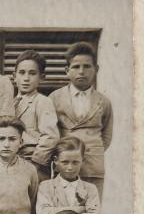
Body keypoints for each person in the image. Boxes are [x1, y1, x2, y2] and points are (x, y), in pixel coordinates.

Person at [48, 41, 113, 200]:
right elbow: (50, 131)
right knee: (64, 213)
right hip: (65, 167)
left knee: (90, 212)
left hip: (92, 166)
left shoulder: (103, 101)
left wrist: (89, 149)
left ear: (96, 70)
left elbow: (106, 136)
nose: (81, 72)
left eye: (87, 66)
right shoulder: (55, 98)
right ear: (67, 71)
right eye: (76, 67)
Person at [35, 136, 100, 214]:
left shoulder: (90, 189)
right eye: (65, 162)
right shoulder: (46, 186)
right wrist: (80, 209)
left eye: (75, 162)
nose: (70, 167)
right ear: (56, 161)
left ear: (83, 161)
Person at [10, 49, 59, 178]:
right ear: (14, 76)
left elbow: (50, 137)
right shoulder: (10, 103)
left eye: (32, 73)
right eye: (22, 73)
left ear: (41, 77)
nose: (26, 78)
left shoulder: (43, 101)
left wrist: (35, 164)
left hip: (34, 162)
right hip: (12, 160)